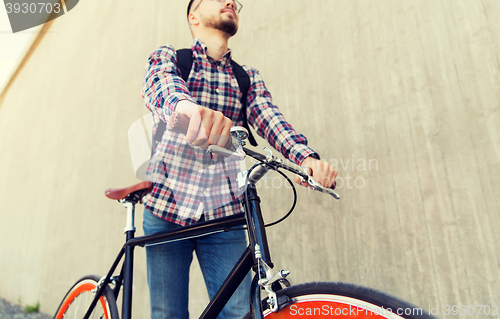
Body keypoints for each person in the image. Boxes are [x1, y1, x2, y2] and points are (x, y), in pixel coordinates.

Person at [140, 0, 338, 318]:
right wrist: (187, 110)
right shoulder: (172, 57)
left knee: (238, 311)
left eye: (234, 0)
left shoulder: (246, 78)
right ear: (193, 16)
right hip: (167, 207)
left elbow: (270, 118)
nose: (230, 1)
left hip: (224, 214)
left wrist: (306, 158)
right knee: (167, 312)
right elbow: (160, 84)